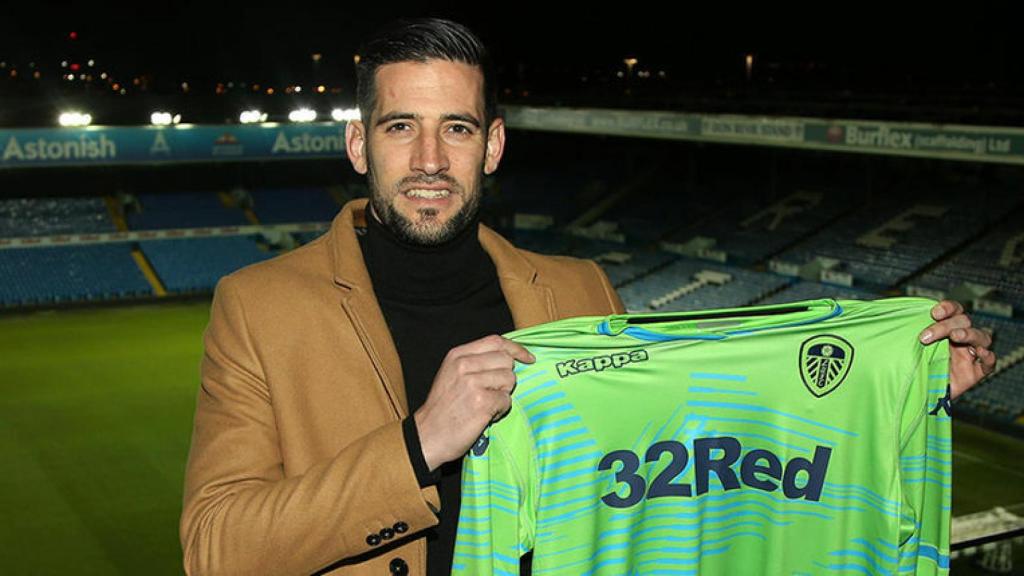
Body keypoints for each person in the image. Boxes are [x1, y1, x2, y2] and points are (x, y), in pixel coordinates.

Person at [179, 17, 996, 576]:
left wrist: (903, 386)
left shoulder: (577, 290)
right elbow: (214, 547)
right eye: (400, 127)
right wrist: (418, 444)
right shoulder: (259, 307)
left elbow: (702, 444)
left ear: (492, 144)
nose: (430, 156)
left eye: (457, 128)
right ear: (359, 142)